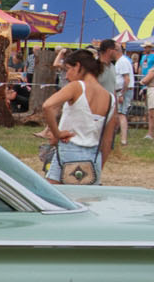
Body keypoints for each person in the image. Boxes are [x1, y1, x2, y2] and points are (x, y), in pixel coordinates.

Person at [39, 49, 115, 185]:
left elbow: (47, 106)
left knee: (54, 199)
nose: (67, 75)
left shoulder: (76, 87)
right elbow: (107, 141)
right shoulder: (110, 99)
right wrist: (98, 167)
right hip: (94, 155)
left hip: (69, 148)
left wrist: (57, 133)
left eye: (68, 69)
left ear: (78, 66)